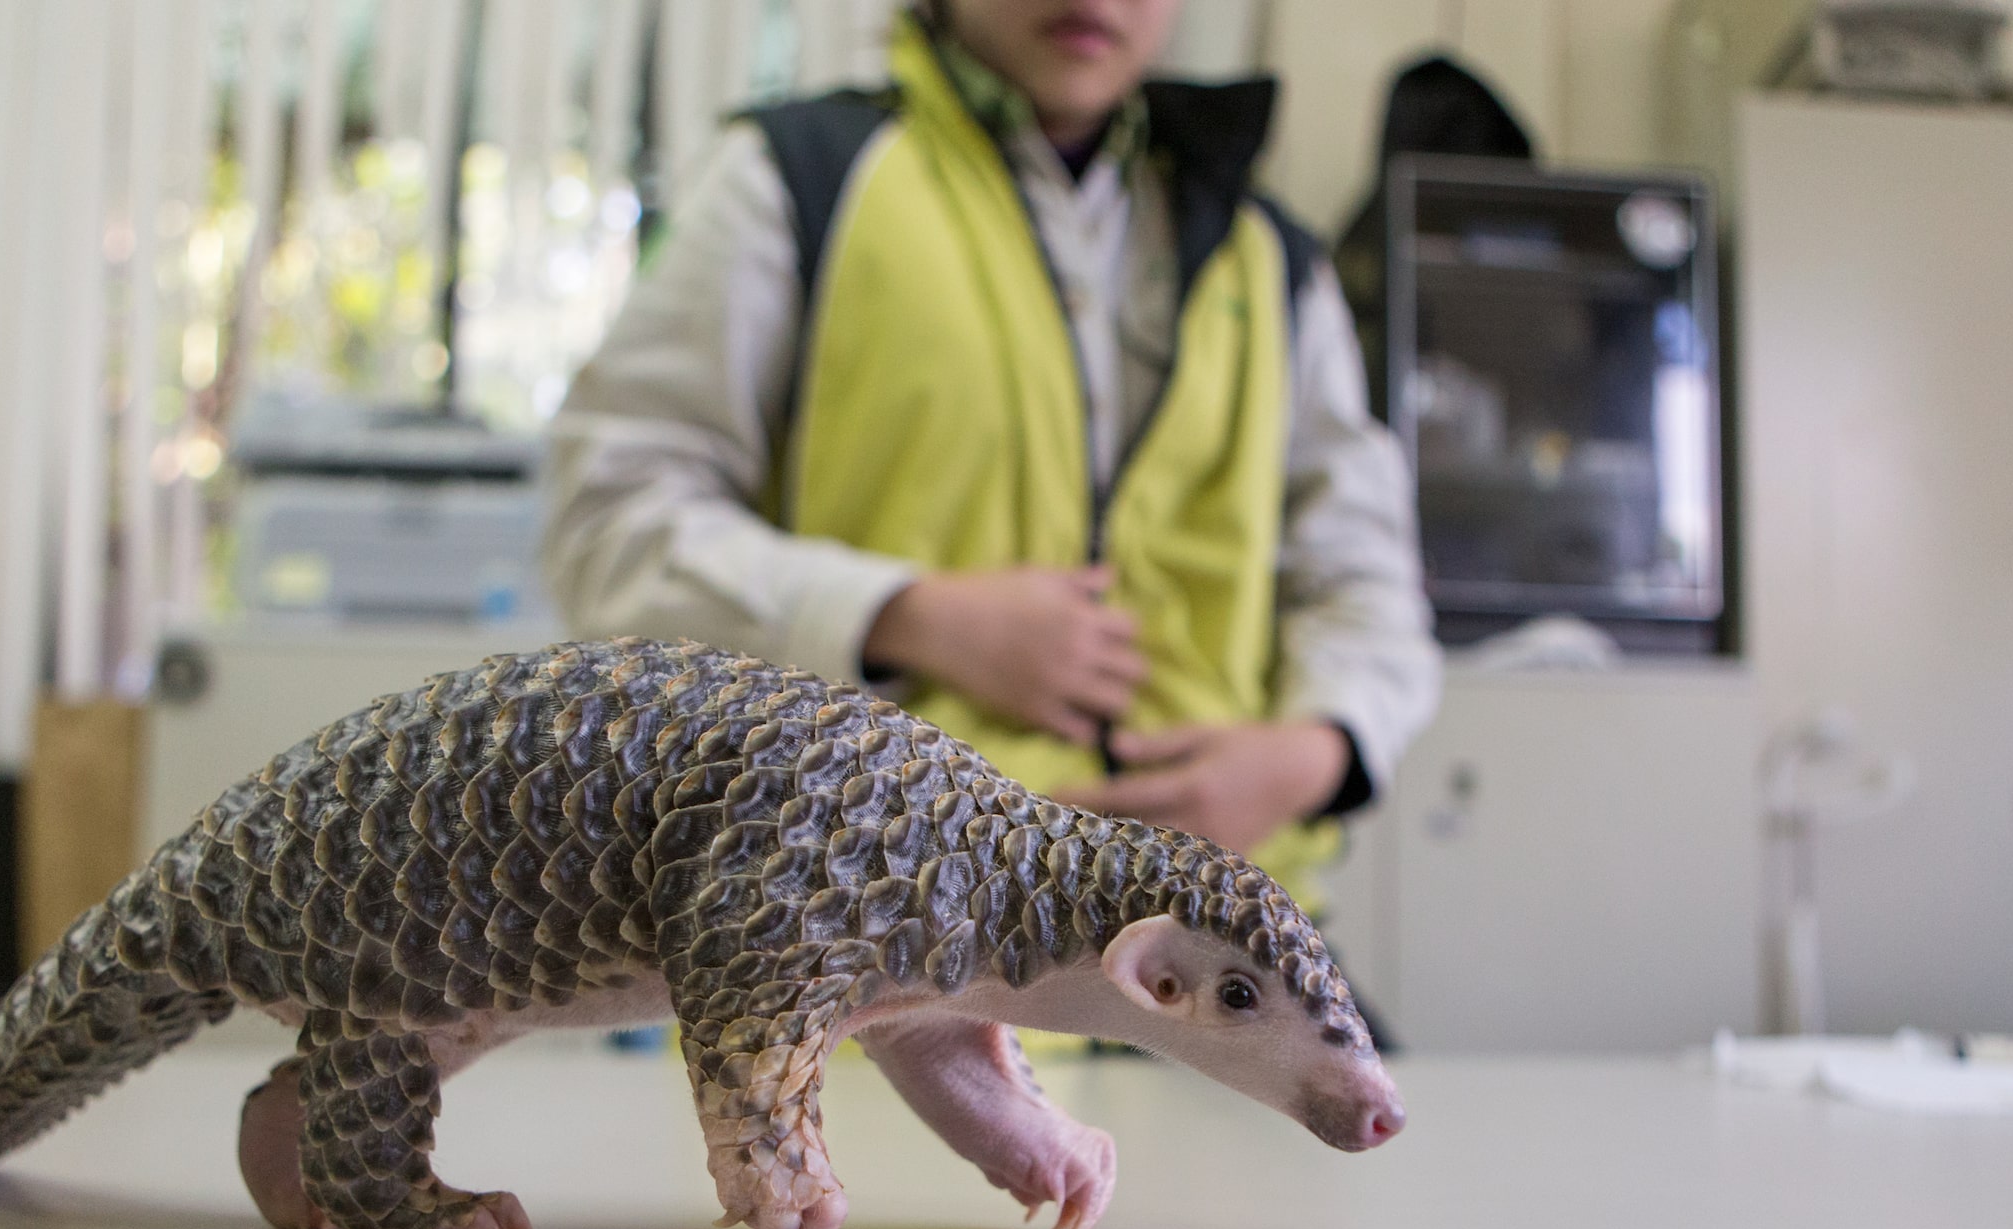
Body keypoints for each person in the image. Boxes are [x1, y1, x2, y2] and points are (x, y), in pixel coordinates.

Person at [542, 0, 1441, 906]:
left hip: (1212, 944)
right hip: (867, 938)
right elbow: (610, 523)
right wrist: (907, 616)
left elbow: (1364, 577)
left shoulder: (1271, 257)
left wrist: (1315, 751)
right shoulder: (796, 179)